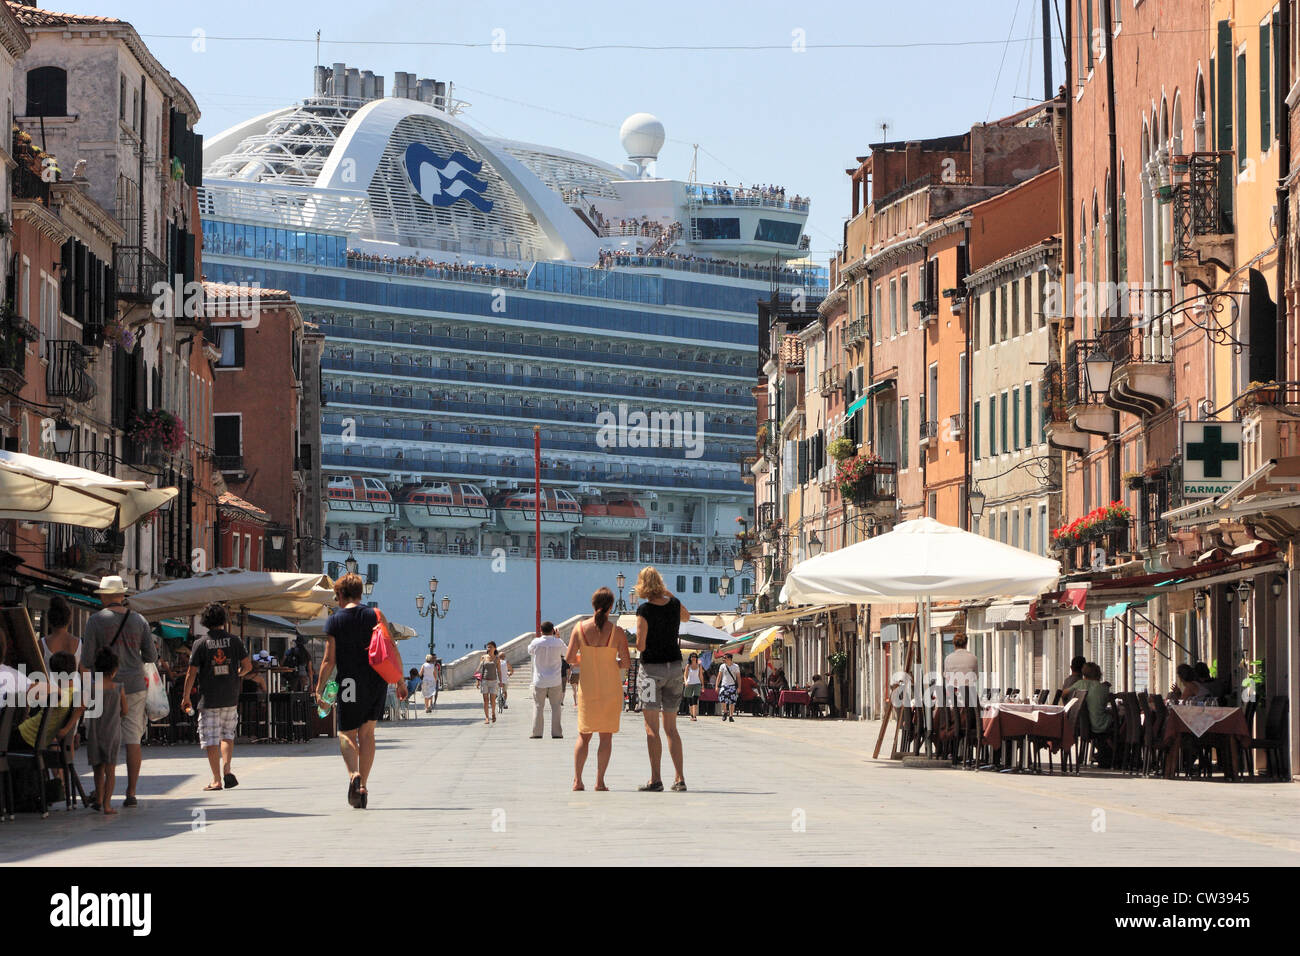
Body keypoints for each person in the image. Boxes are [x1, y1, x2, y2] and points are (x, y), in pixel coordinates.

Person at [317, 573, 406, 809]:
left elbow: (329, 660)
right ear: (360, 593)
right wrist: (400, 681)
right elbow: (392, 648)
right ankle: (364, 785)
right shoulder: (376, 615)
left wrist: (319, 688)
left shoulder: (335, 620)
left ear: (341, 595)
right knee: (367, 733)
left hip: (349, 683)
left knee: (347, 733)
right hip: (376, 682)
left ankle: (353, 774)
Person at [80, 575, 157, 809]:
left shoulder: (95, 621)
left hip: (103, 689)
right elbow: (152, 657)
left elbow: (86, 661)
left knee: (102, 738)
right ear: (122, 596)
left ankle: (102, 794)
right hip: (134, 686)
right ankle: (131, 793)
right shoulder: (140, 621)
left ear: (104, 596)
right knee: (133, 739)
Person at [182, 603, 252, 792]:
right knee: (227, 735)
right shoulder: (235, 640)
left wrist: (186, 696)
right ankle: (227, 769)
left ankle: (216, 779)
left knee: (211, 739)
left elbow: (191, 673)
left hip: (209, 698)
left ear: (205, 621)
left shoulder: (200, 643)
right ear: (224, 620)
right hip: (230, 696)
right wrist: (238, 673)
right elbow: (248, 666)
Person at [566, 588, 630, 791]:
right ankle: (600, 781)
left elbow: (569, 659)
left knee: (583, 736)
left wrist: (584, 660)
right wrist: (611, 663)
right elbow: (626, 662)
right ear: (611, 607)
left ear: (593, 605)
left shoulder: (579, 629)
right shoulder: (617, 632)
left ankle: (577, 780)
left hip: (588, 689)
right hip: (610, 690)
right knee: (606, 736)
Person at [633, 567, 689, 791]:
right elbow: (687, 616)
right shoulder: (674, 605)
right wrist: (669, 594)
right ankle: (679, 778)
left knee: (651, 728)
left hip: (651, 672)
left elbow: (640, 645)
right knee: (671, 729)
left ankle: (655, 779)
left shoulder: (644, 610)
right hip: (675, 668)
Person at [86, 646, 127, 814]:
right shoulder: (118, 688)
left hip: (95, 733)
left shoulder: (91, 688)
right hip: (112, 733)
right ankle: (107, 805)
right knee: (110, 770)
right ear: (115, 670)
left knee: (98, 769)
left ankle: (98, 798)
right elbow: (125, 710)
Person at [1066, 662, 1113, 765]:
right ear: (1099, 674)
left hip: (1084, 725)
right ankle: (1117, 753)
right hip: (1100, 724)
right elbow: (1106, 703)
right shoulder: (1103, 688)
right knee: (1120, 723)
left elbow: (1064, 692)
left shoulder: (1080, 684)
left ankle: (1106, 752)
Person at [528, 621, 567, 739]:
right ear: (553, 630)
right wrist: (558, 638)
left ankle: (537, 732)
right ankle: (557, 733)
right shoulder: (558, 642)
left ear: (541, 630)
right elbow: (566, 652)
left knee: (538, 706)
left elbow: (530, 650)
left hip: (539, 680)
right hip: (555, 680)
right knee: (556, 706)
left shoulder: (536, 642)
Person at [40, 596, 82, 670]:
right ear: (69, 621)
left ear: (49, 621)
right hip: (73, 682)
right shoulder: (79, 644)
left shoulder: (41, 644)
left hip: (49, 681)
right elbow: (86, 676)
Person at [942, 633, 979, 704]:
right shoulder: (973, 658)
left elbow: (947, 676)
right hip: (970, 698)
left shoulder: (948, 658)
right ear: (966, 644)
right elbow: (975, 677)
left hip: (952, 698)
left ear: (954, 644)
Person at [479, 642, 504, 724]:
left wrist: (501, 681)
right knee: (485, 700)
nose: (488, 649)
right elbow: (480, 669)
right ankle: (487, 718)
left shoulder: (497, 659)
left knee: (492, 700)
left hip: (493, 681)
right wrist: (478, 681)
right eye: (487, 647)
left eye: (490, 647)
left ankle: (493, 713)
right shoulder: (483, 657)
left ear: (494, 648)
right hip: (484, 681)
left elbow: (499, 671)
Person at [715, 652, 741, 722]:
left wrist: (739, 687)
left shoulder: (736, 666)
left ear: (729, 659)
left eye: (725, 658)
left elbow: (738, 677)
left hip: (732, 685)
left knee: (732, 702)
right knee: (722, 698)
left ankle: (731, 716)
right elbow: (719, 676)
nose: (723, 659)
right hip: (724, 685)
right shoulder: (722, 666)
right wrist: (717, 685)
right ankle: (725, 711)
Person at [682, 653, 704, 721]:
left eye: (695, 657)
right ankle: (691, 715)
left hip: (697, 683)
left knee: (695, 698)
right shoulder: (688, 665)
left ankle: (694, 716)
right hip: (689, 683)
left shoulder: (699, 665)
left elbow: (700, 675)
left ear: (697, 658)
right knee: (689, 700)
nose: (693, 658)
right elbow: (685, 675)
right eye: (692, 657)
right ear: (690, 658)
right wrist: (685, 682)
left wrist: (702, 685)